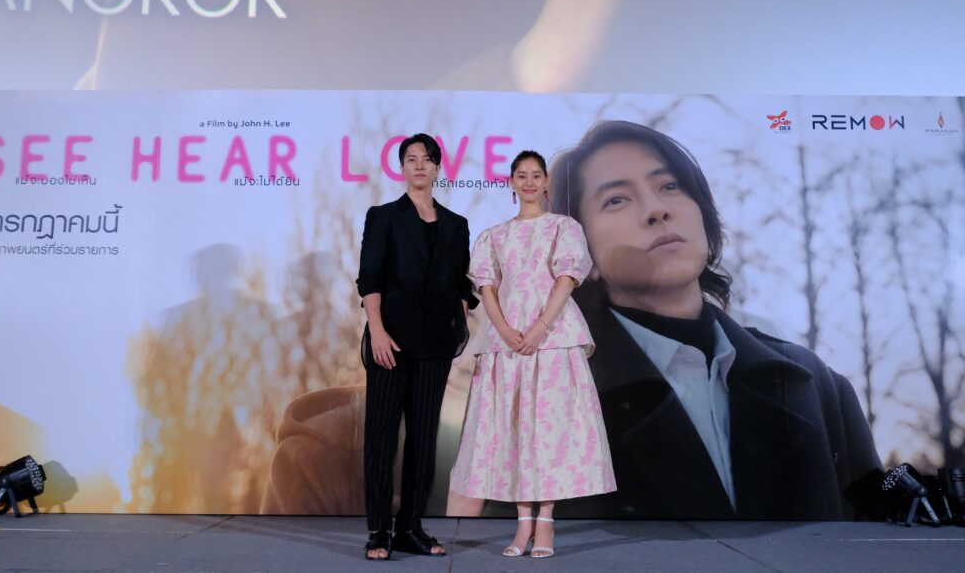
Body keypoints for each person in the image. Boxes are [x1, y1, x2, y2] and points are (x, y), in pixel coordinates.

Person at [548, 120, 883, 519]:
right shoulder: (552, 397)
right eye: (617, 199)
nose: (657, 209)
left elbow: (871, 542)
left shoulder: (814, 384)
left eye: (670, 186)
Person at [448, 150, 615, 558]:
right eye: (520, 175)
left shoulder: (563, 228)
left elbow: (566, 279)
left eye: (535, 175)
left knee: (548, 430)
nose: (528, 182)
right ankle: (523, 524)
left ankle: (546, 524)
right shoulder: (494, 236)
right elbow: (487, 288)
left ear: (546, 183)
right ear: (511, 183)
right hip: (506, 341)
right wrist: (505, 330)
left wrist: (540, 327)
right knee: (514, 429)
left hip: (553, 337)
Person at [356, 134, 477, 560]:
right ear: (402, 168)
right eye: (411, 159)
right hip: (389, 342)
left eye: (427, 159)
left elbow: (461, 281)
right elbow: (369, 277)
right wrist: (377, 330)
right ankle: (378, 530)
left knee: (424, 440)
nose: (419, 165)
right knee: (381, 438)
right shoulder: (383, 217)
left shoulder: (456, 224)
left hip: (436, 345)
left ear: (438, 167)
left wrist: (460, 310)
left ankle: (410, 526)